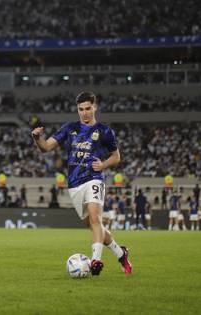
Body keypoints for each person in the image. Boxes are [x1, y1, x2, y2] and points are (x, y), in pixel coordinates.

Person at [31, 91, 131, 276]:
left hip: (94, 178)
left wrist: (103, 165)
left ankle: (96, 261)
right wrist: (37, 138)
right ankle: (120, 253)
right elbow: (46, 148)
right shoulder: (69, 128)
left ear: (95, 107)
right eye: (81, 109)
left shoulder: (104, 131)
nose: (84, 113)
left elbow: (116, 157)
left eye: (88, 109)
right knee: (94, 226)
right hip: (74, 184)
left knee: (96, 219)